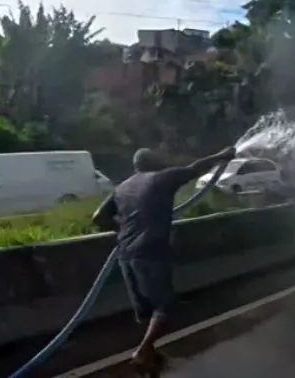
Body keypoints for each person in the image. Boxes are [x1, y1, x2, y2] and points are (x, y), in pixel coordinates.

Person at [91, 146, 237, 369]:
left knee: (146, 310)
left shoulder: (121, 188)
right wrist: (221, 156)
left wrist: (120, 230)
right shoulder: (161, 178)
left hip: (126, 254)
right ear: (153, 163)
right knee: (164, 308)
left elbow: (98, 217)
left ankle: (149, 351)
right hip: (151, 250)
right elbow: (195, 168)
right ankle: (143, 351)